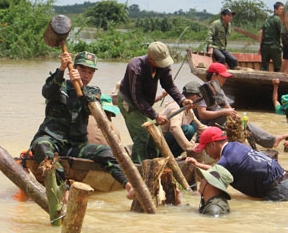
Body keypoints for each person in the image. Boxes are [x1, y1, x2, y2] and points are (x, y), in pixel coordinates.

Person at [28, 51, 134, 199]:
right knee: (42, 147)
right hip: (52, 139)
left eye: (90, 72)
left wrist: (81, 88)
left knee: (107, 153)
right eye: (82, 70)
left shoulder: (92, 91)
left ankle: (128, 185)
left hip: (76, 145)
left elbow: (90, 105)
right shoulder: (60, 85)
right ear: (74, 69)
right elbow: (47, 91)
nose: (86, 75)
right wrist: (61, 69)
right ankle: (63, 191)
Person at [117, 42, 192, 163]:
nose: (163, 65)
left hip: (145, 103)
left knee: (155, 136)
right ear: (150, 59)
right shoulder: (135, 67)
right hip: (129, 102)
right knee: (142, 134)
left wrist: (182, 100)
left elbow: (169, 85)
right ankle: (138, 167)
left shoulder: (163, 66)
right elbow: (137, 98)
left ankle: (154, 164)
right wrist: (155, 116)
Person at [187, 127, 288, 201]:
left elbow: (212, 177)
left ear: (213, 144)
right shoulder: (236, 145)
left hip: (277, 190)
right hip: (285, 181)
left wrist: (194, 196)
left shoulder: (227, 160)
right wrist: (198, 164)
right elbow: (216, 170)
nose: (206, 153)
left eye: (205, 148)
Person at [161, 81, 207, 158]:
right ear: (194, 98)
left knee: (194, 125)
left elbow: (200, 127)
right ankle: (169, 156)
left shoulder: (189, 109)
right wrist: (188, 146)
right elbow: (174, 128)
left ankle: (174, 155)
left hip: (169, 141)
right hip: (161, 142)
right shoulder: (176, 107)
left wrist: (218, 133)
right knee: (189, 129)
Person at [259, 1, 284, 72]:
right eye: (281, 9)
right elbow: (282, 33)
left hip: (265, 47)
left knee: (264, 68)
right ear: (275, 10)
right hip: (274, 47)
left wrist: (260, 46)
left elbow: (261, 31)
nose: (282, 11)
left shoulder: (268, 19)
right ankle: (277, 81)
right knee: (278, 68)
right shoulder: (278, 19)